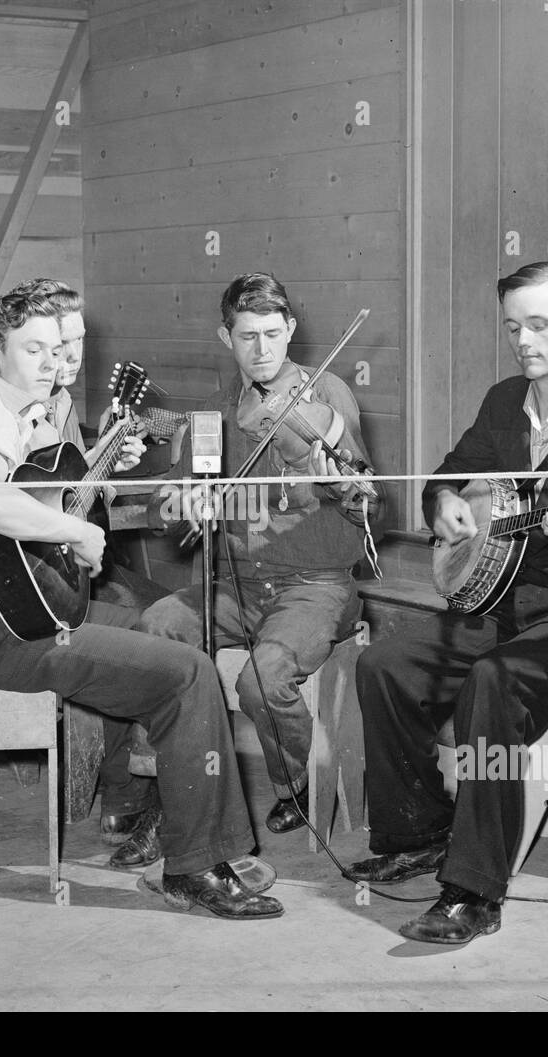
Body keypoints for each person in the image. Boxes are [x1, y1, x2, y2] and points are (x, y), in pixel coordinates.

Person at [0, 288, 282, 919]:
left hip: (19, 608)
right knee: (186, 675)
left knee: (168, 636)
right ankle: (194, 866)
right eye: (36, 349)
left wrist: (91, 482)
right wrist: (78, 533)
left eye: (59, 348)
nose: (55, 362)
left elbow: (41, 498)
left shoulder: (26, 409)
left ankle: (171, 822)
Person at [347, 261, 548, 945]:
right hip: (496, 603)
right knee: (386, 664)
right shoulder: (503, 403)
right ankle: (419, 830)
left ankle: (473, 891)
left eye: (539, 324)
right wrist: (442, 505)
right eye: (513, 327)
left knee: (494, 684)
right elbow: (447, 475)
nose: (523, 340)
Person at [130, 273, 382, 866]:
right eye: (248, 336)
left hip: (315, 586)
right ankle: (163, 788)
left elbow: (364, 495)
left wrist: (341, 481)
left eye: (273, 334)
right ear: (227, 337)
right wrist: (179, 502)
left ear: (291, 330)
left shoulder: (328, 396)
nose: (262, 349)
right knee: (156, 629)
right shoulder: (219, 412)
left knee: (262, 679)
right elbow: (169, 499)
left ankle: (291, 781)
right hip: (238, 585)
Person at [8, 276, 171, 851]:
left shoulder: (63, 402)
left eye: (78, 343)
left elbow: (72, 493)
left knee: (162, 607)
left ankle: (134, 787)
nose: (73, 357)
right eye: (60, 345)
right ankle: (128, 794)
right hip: (24, 584)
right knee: (149, 625)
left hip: (66, 564)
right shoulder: (15, 405)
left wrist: (110, 462)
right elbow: (27, 505)